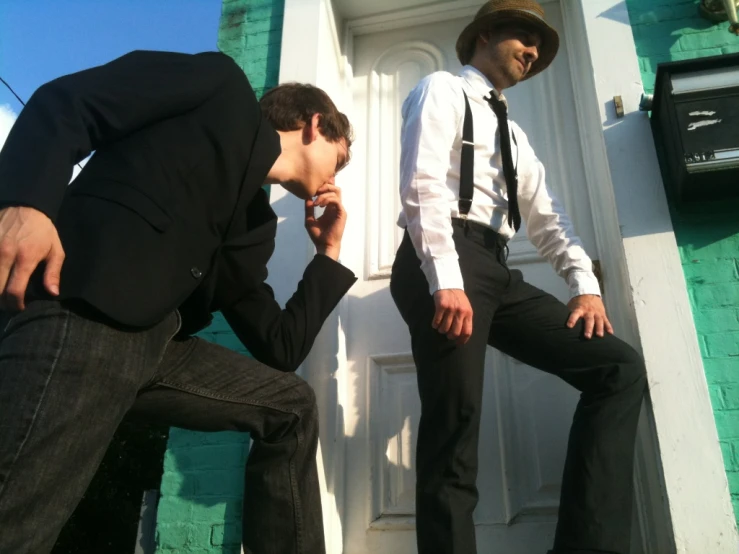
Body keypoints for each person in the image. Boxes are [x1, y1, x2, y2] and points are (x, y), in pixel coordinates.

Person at [0, 50, 356, 554]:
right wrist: (26, 203)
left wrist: (328, 252)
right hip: (84, 310)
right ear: (314, 124)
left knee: (291, 407)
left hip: (162, 349)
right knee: (15, 523)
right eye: (339, 159)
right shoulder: (219, 87)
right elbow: (69, 101)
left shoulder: (256, 227)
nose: (336, 178)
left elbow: (280, 345)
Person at [389, 2, 648, 553]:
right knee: (454, 429)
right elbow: (422, 186)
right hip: (445, 257)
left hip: (496, 269)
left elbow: (549, 217)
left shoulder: (515, 134)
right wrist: (446, 280)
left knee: (616, 368)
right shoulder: (442, 89)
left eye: (540, 45)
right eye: (524, 36)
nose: (532, 52)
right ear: (485, 34)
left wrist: (585, 286)